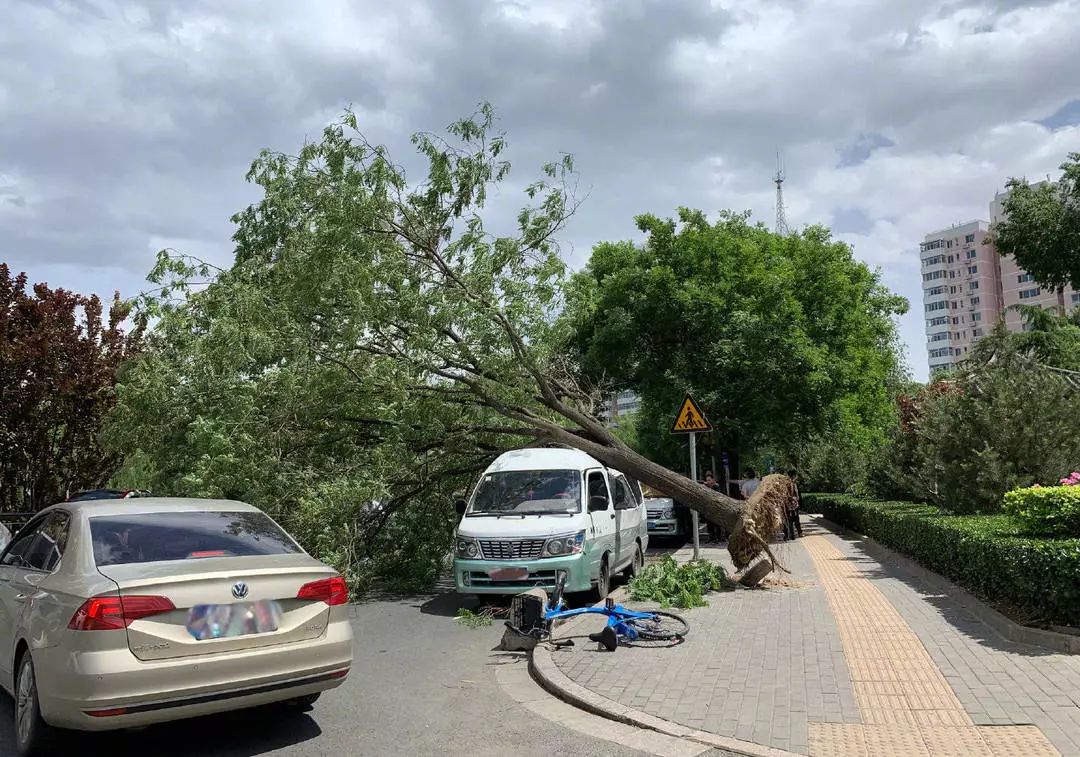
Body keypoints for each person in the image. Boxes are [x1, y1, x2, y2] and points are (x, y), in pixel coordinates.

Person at [702, 472, 726, 543]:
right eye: (707, 480)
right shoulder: (706, 486)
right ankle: (711, 537)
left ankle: (718, 537)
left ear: (713, 480)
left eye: (709, 480)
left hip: (715, 508)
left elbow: (716, 496)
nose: (708, 481)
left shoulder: (716, 486)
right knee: (709, 523)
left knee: (716, 524)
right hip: (708, 508)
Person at [785, 469, 804, 539]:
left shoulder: (786, 483)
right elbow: (796, 495)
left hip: (788, 504)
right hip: (793, 504)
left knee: (790, 519)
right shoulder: (792, 483)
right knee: (796, 519)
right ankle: (798, 533)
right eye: (795, 476)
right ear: (793, 476)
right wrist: (795, 499)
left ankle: (791, 535)